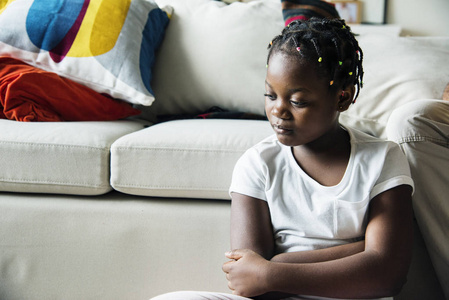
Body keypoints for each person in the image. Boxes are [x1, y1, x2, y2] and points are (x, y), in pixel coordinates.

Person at [151, 18, 414, 300]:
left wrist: (272, 270)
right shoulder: (257, 164)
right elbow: (248, 282)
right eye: (270, 95)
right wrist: (360, 250)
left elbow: (386, 275)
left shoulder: (382, 158)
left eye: (297, 101)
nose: (279, 110)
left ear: (343, 97)